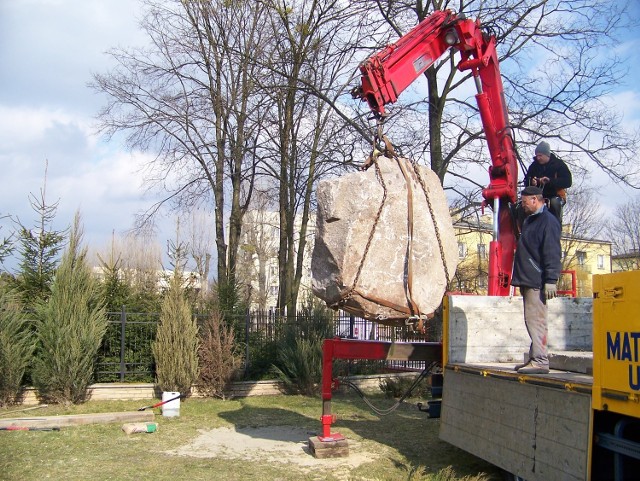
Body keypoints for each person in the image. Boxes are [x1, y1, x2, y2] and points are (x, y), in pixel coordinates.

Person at [511, 185, 562, 374]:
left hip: (536, 280)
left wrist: (551, 279)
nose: (522, 206)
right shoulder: (531, 220)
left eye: (525, 202)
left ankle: (540, 361)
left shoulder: (547, 221)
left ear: (535, 200)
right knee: (531, 319)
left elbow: (552, 252)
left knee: (536, 320)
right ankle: (535, 357)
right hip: (528, 278)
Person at [522, 141, 572, 224]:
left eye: (540, 155)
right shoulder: (534, 166)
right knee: (524, 205)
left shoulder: (559, 164)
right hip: (537, 197)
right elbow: (526, 180)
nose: (538, 158)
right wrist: (532, 182)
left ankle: (555, 227)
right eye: (537, 155)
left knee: (554, 203)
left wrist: (550, 181)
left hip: (554, 195)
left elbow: (568, 181)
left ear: (547, 155)